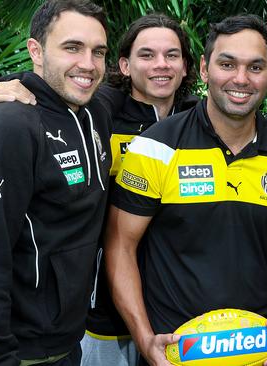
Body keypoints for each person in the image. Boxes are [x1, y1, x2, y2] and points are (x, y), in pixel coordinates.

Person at [105, 14, 267, 366]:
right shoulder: (157, 147)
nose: (241, 78)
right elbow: (120, 246)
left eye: (255, 67)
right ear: (204, 69)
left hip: (257, 348)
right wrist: (144, 338)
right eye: (227, 64)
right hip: (175, 351)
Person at [0, 1, 112, 365]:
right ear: (36, 50)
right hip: (4, 353)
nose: (88, 64)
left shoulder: (96, 112)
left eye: (98, 52)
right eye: (72, 47)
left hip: (63, 346)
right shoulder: (8, 129)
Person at [80, 13, 198, 366]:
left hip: (180, 310)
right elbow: (47, 101)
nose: (161, 65)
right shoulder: (97, 114)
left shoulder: (204, 121)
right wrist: (10, 86)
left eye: (172, 55)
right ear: (125, 65)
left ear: (187, 67)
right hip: (103, 312)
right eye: (147, 55)